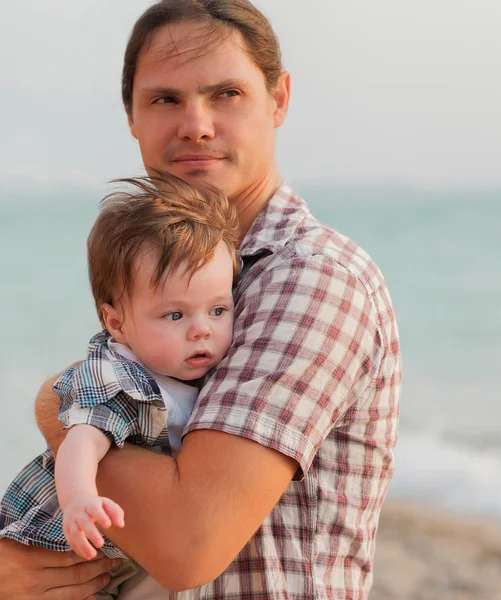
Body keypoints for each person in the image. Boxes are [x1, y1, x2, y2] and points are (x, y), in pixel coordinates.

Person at [0, 1, 402, 598]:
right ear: (131, 116)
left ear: (279, 99)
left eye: (226, 94)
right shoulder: (174, 273)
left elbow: (191, 545)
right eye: (164, 99)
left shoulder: (308, 278)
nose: (196, 125)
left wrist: (56, 407)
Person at [0, 174, 241, 598]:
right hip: (53, 541)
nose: (202, 330)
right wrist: (78, 499)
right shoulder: (120, 377)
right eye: (174, 316)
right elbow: (82, 439)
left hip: (113, 558)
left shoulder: (198, 373)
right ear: (117, 323)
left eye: (218, 309)